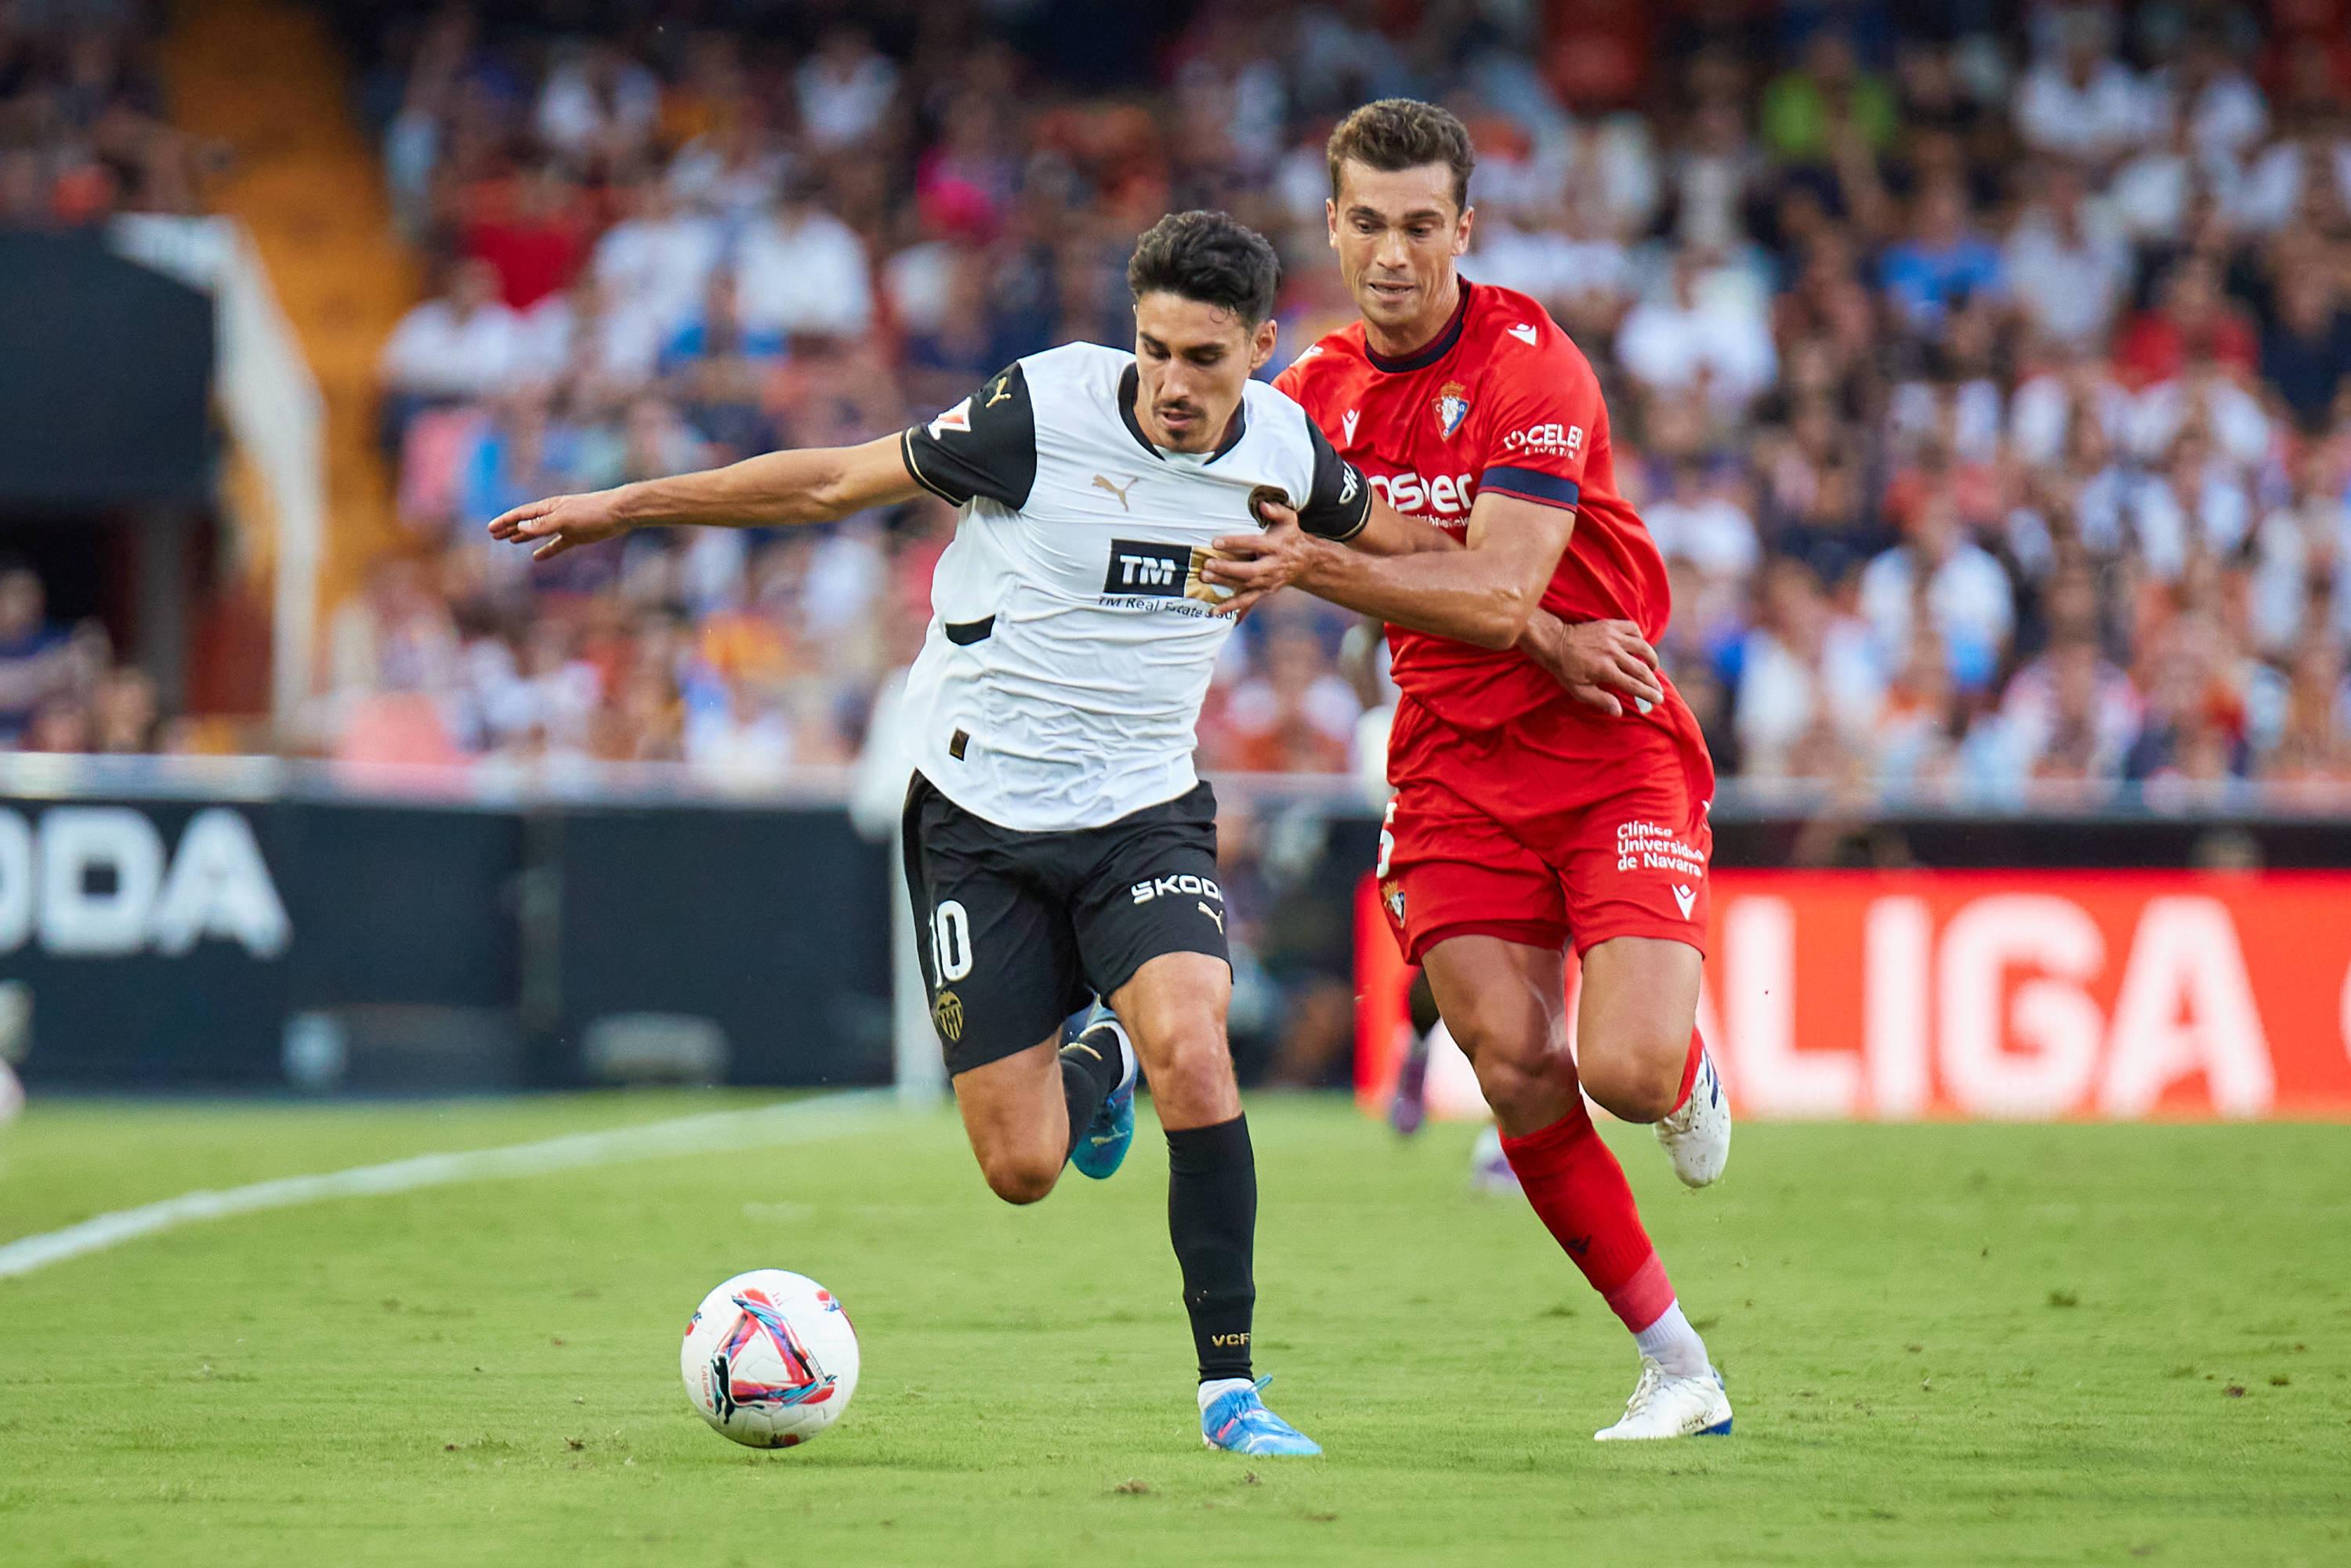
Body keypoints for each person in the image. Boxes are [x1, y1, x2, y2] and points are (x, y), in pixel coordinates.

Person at [492, 210, 1651, 1454]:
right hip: (976, 818)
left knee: (1199, 1047)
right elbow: (834, 479)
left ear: (1261, 348)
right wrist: (628, 504)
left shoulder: (1286, 452)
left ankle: (1232, 1391)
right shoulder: (1039, 415)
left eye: (1205, 359)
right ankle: (1095, 1062)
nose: (1172, 385)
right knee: (1024, 1165)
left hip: (1143, 812)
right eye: (1153, 350)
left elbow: (1434, 556)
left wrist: (1547, 625)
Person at [1204, 99, 1736, 1442]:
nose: (1393, 253)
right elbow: (1208, 501)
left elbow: (1498, 588)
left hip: (1607, 742)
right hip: (1447, 759)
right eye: (1367, 224)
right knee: (1508, 1063)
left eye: (1420, 225)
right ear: (1330, 228)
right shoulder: (1309, 396)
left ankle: (1679, 1071)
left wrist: (1320, 564)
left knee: (1621, 1067)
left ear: (1465, 230)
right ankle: (1679, 1366)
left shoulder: (1531, 366)